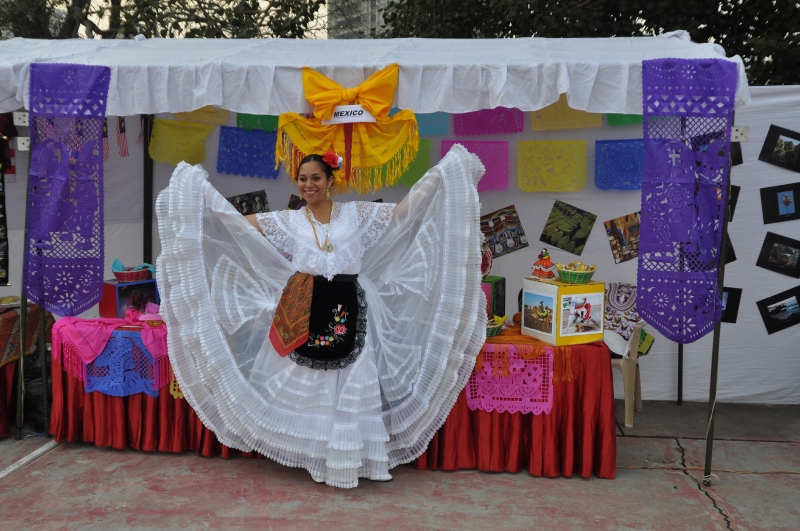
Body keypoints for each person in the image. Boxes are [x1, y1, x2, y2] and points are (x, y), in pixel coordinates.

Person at [156, 144, 486, 488]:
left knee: (351, 377)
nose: (308, 185)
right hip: (304, 306)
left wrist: (439, 176)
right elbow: (236, 225)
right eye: (302, 179)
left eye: (315, 178)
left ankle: (349, 457)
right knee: (313, 382)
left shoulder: (357, 214)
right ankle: (317, 455)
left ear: (330, 181)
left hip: (349, 306)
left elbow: (404, 212)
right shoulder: (290, 220)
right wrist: (200, 197)